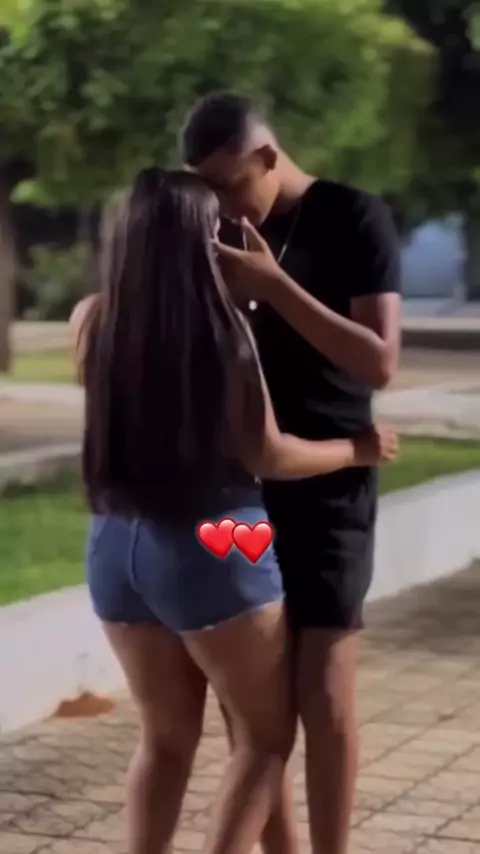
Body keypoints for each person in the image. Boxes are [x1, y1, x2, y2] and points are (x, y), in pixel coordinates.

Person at [69, 168, 398, 854]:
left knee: (164, 741)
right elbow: (268, 454)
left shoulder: (91, 318)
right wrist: (356, 448)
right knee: (265, 738)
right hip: (216, 540)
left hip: (114, 543)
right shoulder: (224, 332)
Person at [181, 93, 402, 854]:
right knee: (253, 708)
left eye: (231, 184)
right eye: (207, 189)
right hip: (236, 491)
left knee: (324, 693)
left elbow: (379, 362)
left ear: (268, 156)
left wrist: (274, 286)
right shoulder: (212, 226)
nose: (222, 204)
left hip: (334, 483)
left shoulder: (353, 217)